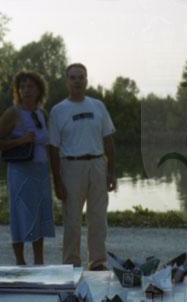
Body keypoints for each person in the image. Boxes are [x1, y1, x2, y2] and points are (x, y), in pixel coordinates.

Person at [48, 63, 117, 271]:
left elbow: (108, 140)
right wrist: (57, 181)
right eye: (73, 77)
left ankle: (97, 262)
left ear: (86, 80)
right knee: (72, 219)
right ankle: (71, 263)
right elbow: (53, 148)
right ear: (67, 81)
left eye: (81, 77)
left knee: (98, 218)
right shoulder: (58, 111)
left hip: (97, 164)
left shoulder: (98, 106)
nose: (77, 81)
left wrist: (112, 171)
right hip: (71, 166)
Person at [0, 70, 55, 265]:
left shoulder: (42, 114)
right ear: (18, 90)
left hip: (41, 171)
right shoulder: (13, 113)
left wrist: (55, 174)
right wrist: (20, 141)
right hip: (21, 172)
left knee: (40, 215)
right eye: (22, 87)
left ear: (39, 90)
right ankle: (20, 262)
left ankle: (39, 262)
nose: (26, 90)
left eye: (31, 86)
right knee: (20, 215)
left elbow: (48, 144)